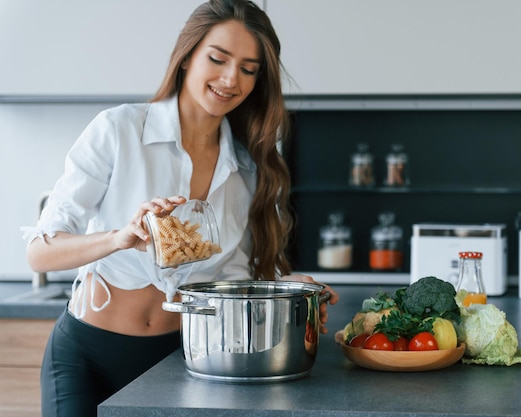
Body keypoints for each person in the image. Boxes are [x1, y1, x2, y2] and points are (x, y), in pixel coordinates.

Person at [21, 1, 339, 416]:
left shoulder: (246, 169)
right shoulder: (118, 130)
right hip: (87, 356)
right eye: (218, 58)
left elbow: (231, 280)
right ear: (187, 56)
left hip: (181, 361)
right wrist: (119, 237)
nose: (230, 79)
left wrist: (286, 290)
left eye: (248, 68)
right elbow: (41, 250)